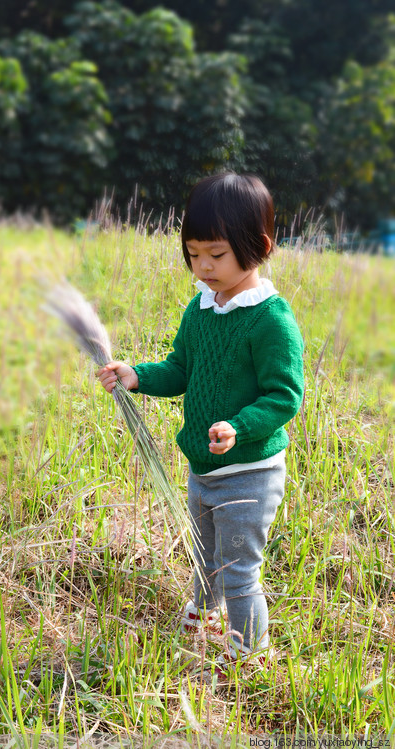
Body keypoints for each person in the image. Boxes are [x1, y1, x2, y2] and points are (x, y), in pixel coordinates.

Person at [97, 173, 304, 664]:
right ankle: (206, 609)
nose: (203, 267)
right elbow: (180, 369)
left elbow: (284, 396)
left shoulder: (271, 319)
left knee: (238, 567)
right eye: (193, 254)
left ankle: (248, 646)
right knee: (203, 553)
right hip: (202, 470)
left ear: (260, 246)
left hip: (249, 475)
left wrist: (240, 426)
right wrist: (136, 376)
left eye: (216, 254)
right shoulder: (200, 308)